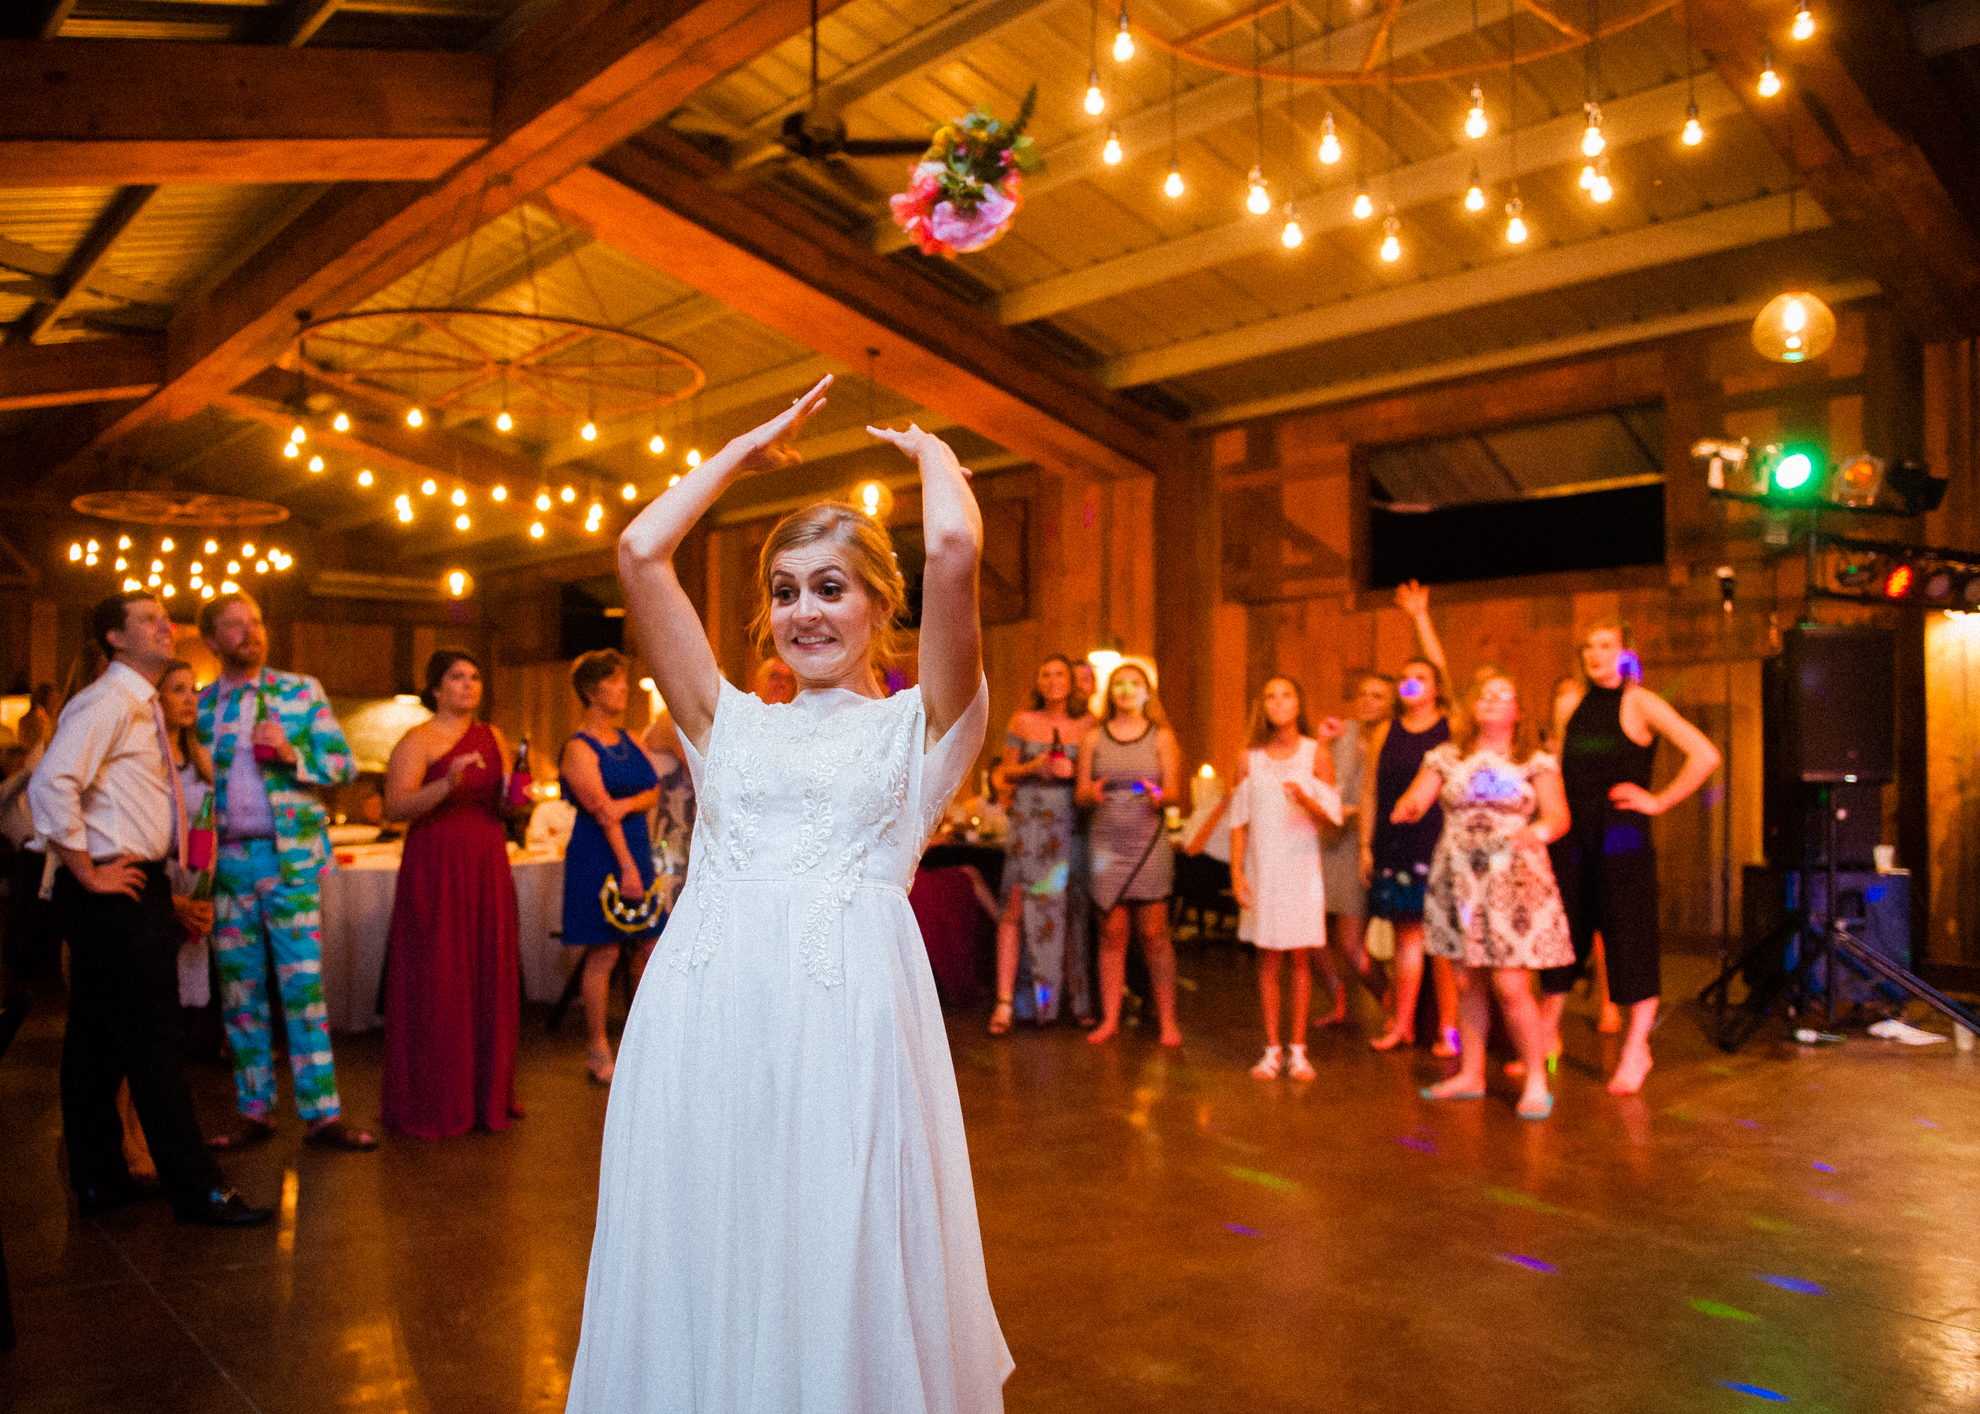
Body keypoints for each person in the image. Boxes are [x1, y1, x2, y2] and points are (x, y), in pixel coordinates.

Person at [565, 380, 1011, 1409]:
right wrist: (739, 452)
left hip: (840, 1025)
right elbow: (638, 551)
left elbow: (953, 552)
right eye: (785, 589)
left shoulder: (926, 727)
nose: (804, 611)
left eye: (830, 587)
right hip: (702, 1018)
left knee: (829, 1244)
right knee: (703, 1236)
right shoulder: (726, 722)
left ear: (877, 603)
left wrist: (934, 453)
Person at [27, 591, 269, 1225]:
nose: (167, 627)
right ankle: (199, 1189)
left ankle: (100, 1179)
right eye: (149, 620)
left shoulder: (140, 706)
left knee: (96, 1045)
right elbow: (52, 782)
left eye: (167, 618)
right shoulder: (108, 701)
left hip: (132, 884)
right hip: (118, 888)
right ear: (114, 638)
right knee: (157, 1041)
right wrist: (86, 870)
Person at [196, 592, 374, 1152]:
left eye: (256, 620)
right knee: (240, 993)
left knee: (303, 989)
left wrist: (293, 753)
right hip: (226, 864)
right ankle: (255, 1111)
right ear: (210, 640)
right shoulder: (198, 709)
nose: (250, 631)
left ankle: (323, 1116)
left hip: (290, 858)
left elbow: (344, 765)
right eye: (235, 625)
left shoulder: (300, 692)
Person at [1540, 621, 1721, 1095]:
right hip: (1573, 838)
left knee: (1628, 937)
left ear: (1624, 653)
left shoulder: (1641, 702)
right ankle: (1544, 1036)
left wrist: (1659, 800)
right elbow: (1558, 771)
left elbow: (1704, 755)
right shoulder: (1568, 705)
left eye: (1605, 646)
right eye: (1587, 647)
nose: (1595, 655)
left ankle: (1636, 1047)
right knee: (1562, 936)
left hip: (1622, 840)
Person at [1393, 672, 1574, 1119]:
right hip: (1458, 877)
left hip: (1512, 877)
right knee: (1467, 981)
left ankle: (1535, 1078)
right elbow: (1419, 796)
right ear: (1473, 707)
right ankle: (1471, 1073)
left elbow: (1558, 816)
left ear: (1518, 711)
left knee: (1510, 984)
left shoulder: (1534, 760)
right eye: (1484, 694)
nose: (1492, 699)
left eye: (1503, 694)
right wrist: (1409, 807)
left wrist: (1536, 832)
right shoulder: (1447, 756)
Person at [380, 650, 523, 1137]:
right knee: (440, 972)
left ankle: (486, 1094)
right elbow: (395, 807)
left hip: (486, 860)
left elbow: (500, 802)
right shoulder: (417, 740)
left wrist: (515, 802)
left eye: (475, 676)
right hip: (437, 865)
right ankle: (438, 1095)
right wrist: (449, 783)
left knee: (487, 969)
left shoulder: (493, 736)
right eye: (457, 677)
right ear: (435, 689)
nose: (468, 685)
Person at [1360, 582, 1462, 1056]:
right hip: (1395, 842)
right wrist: (1365, 845)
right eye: (1406, 677)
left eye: (1421, 676)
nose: (1412, 682)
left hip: (1439, 843)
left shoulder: (1451, 724)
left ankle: (1449, 1030)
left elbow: (1444, 668)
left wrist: (1419, 617)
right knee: (1407, 934)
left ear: (1436, 687)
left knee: (1441, 938)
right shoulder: (1386, 730)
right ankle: (1402, 1024)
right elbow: (1370, 791)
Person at [558, 649, 662, 1086]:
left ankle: (644, 1041)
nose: (624, 688)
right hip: (601, 852)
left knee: (650, 946)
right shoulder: (579, 748)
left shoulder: (632, 739)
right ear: (591, 690)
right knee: (604, 950)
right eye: (616, 681)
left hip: (637, 846)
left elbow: (653, 790)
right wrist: (627, 867)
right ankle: (598, 1046)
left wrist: (625, 804)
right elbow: (600, 812)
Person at [1229, 677, 1340, 1080]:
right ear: (1262, 705)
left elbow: (1332, 820)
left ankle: (1299, 1049)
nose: (1278, 702)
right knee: (1267, 955)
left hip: (1300, 865)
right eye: (1270, 695)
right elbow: (1238, 821)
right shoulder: (1248, 758)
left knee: (1299, 954)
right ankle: (1271, 1048)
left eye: (1286, 695)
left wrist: (1306, 798)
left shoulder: (1316, 754)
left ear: (1299, 703)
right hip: (1264, 866)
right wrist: (1236, 869)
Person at [1078, 658, 1183, 1048]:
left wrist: (1158, 795)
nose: (1125, 690)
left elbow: (1174, 793)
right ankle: (1110, 1019)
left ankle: (1169, 1020)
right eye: (1118, 683)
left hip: (1147, 840)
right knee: (1111, 932)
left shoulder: (1161, 737)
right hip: (1106, 842)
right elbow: (1081, 795)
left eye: (1133, 683)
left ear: (1146, 692)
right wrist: (1091, 793)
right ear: (1111, 692)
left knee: (1154, 933)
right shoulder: (1094, 738)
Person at [988, 653, 1095, 1034]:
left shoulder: (1088, 725)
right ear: (1038, 682)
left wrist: (1075, 775)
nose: (1053, 681)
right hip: (1029, 826)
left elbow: (1093, 778)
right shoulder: (1022, 721)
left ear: (1071, 682)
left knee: (1069, 910)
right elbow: (1003, 774)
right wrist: (1035, 768)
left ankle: (1074, 999)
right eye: (1045, 674)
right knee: (1016, 906)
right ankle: (1006, 1003)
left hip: (1070, 827)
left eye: (1060, 674)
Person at [1317, 674, 1394, 1028]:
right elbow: (1319, 775)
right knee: (1314, 936)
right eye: (1363, 694)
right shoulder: (1341, 732)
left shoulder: (1396, 737)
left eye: (1378, 696)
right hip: (1328, 840)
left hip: (1362, 845)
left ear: (1392, 703)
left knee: (1351, 942)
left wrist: (1355, 812)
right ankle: (1339, 1003)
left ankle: (1392, 1006)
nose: (1368, 701)